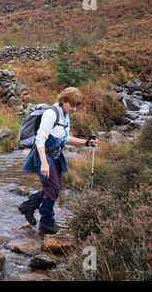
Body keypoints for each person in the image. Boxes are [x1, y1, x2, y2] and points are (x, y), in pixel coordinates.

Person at [19, 87, 98, 234]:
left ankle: (29, 205)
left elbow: (65, 137)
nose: (74, 109)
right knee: (54, 190)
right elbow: (40, 139)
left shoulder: (64, 115)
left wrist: (86, 143)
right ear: (63, 101)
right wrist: (43, 163)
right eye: (72, 105)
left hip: (55, 155)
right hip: (44, 156)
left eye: (76, 106)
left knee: (55, 187)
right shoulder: (51, 114)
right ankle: (46, 223)